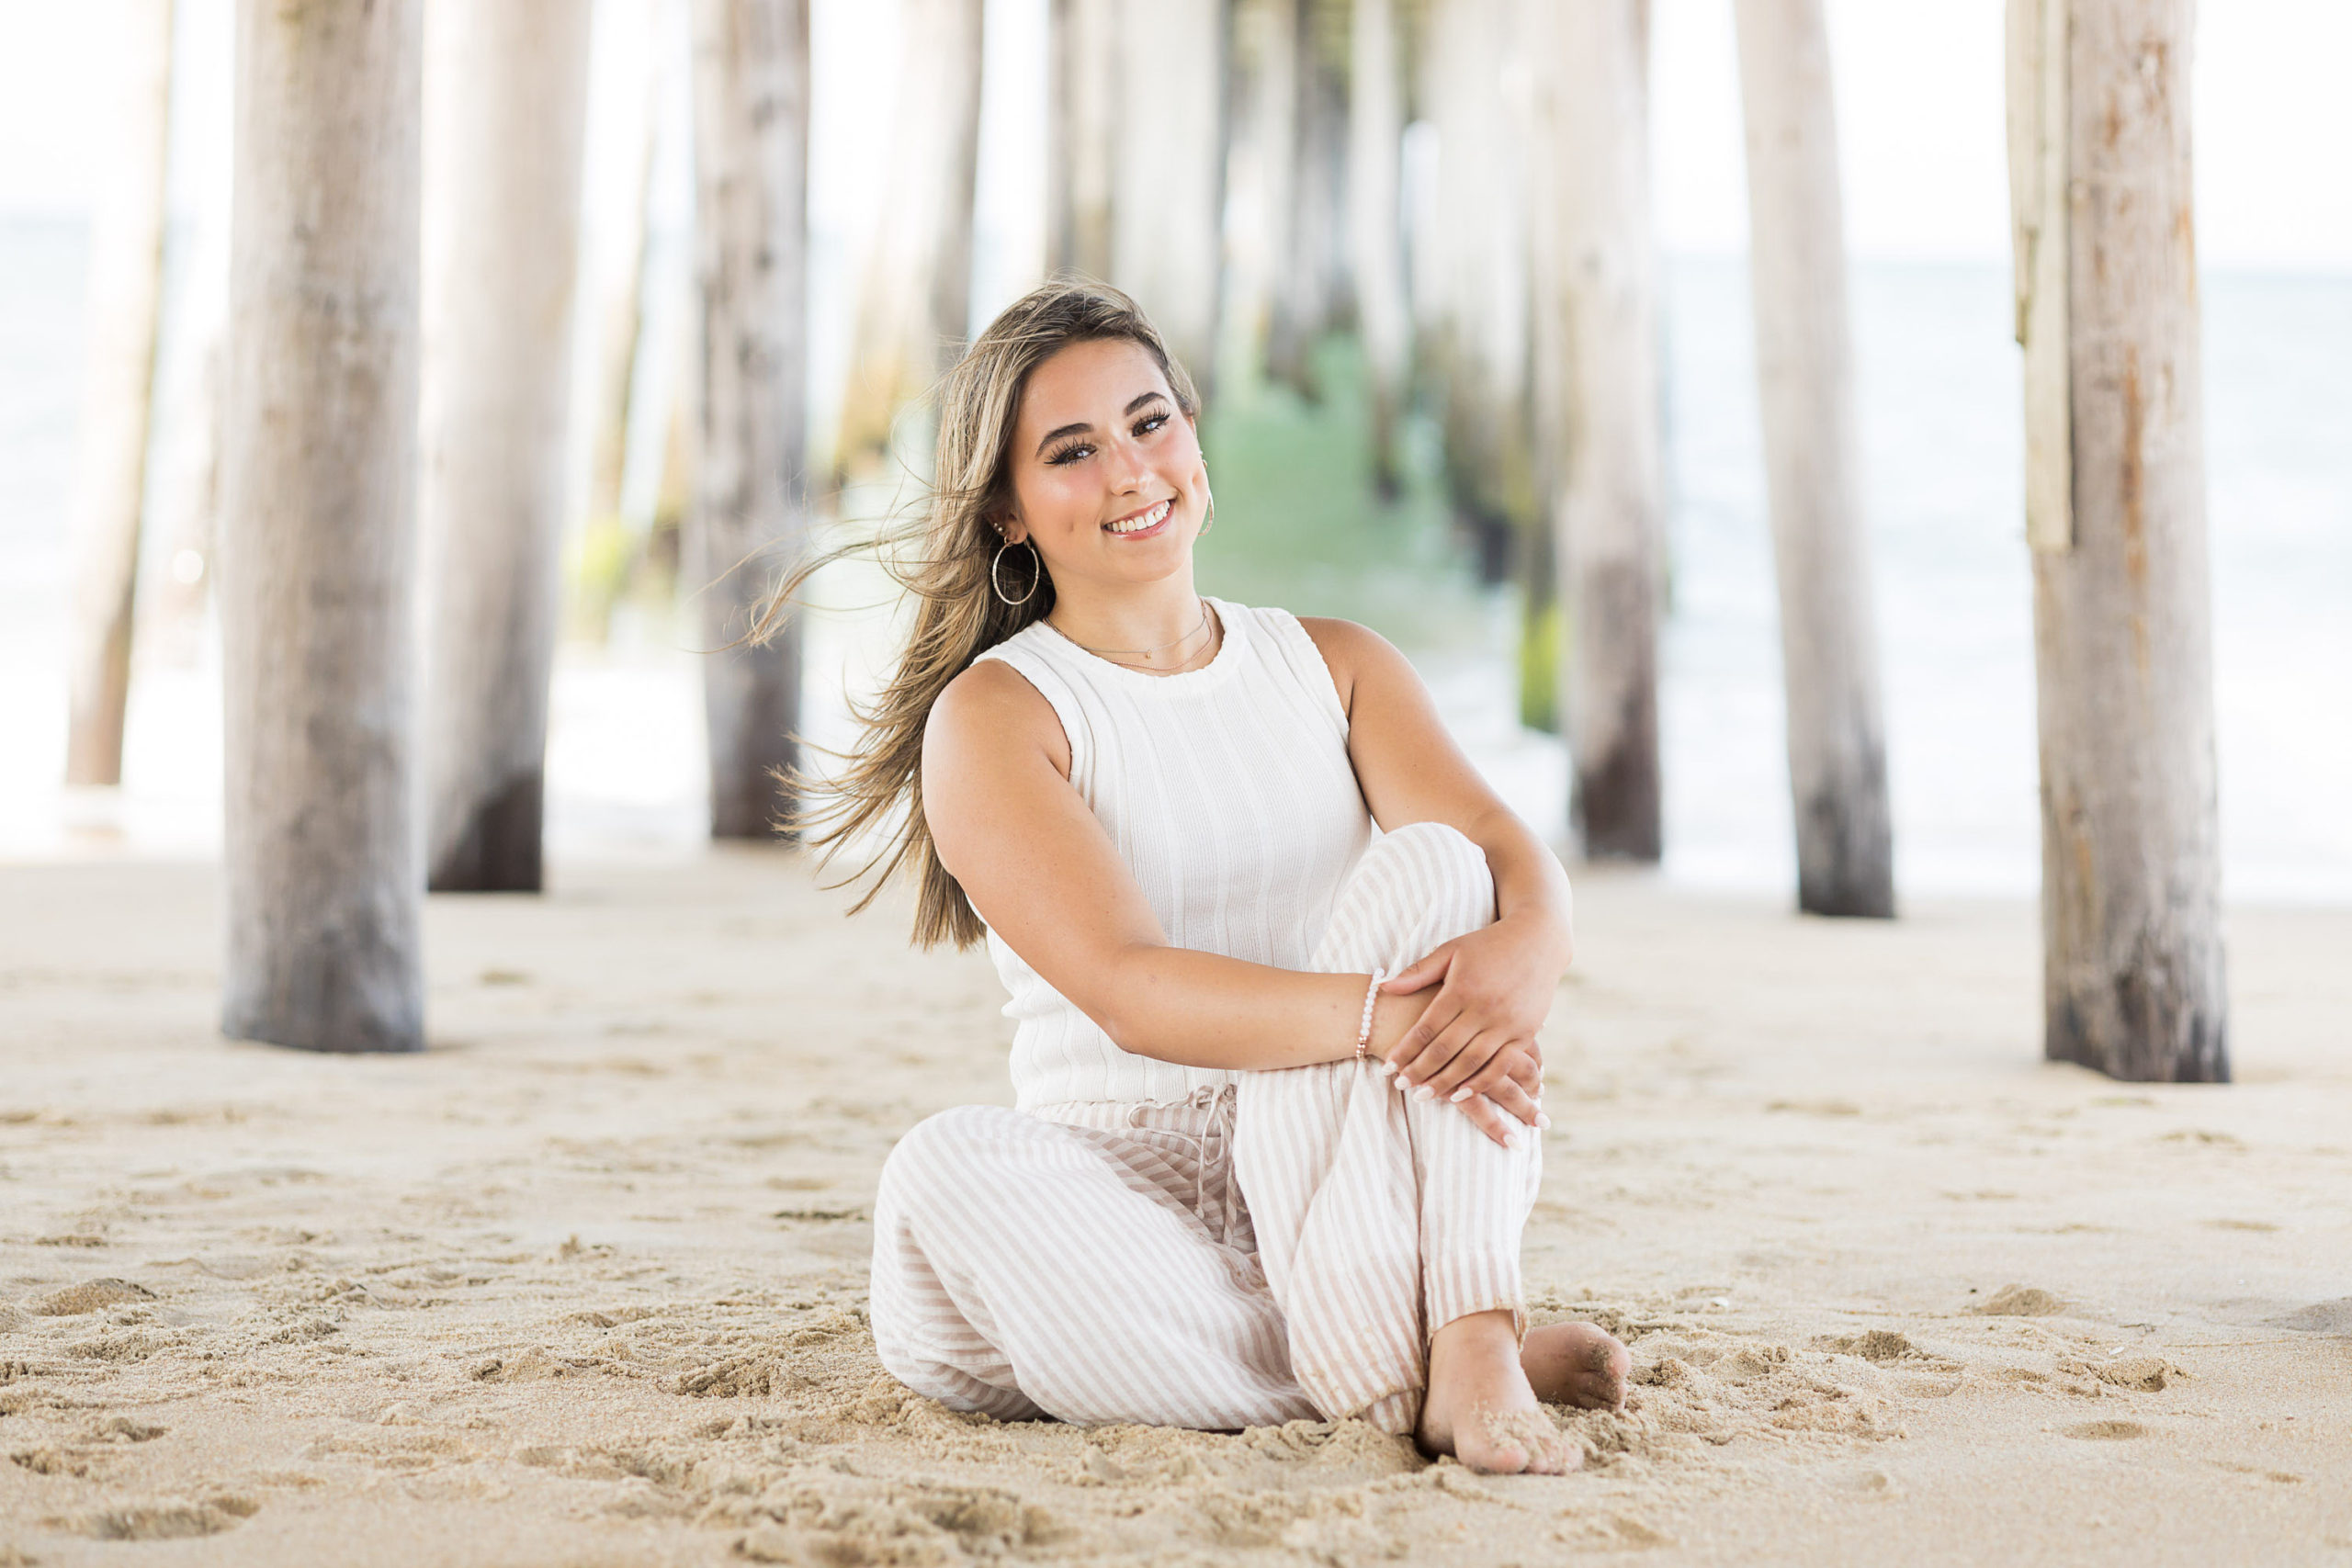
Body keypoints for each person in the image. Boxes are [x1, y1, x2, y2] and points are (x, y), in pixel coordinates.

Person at [768, 279, 1629, 1474]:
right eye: (1072, 451)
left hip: (1343, 1154)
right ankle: (1396, 1361)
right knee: (941, 1179)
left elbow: (1493, 845)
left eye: (1150, 421)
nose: (1131, 470)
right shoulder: (1000, 715)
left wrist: (1537, 936)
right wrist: (1391, 1023)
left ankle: (1469, 1335)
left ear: (1193, 435)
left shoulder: (1335, 665)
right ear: (1009, 512)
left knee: (1441, 869)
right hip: (1116, 1182)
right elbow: (1132, 986)